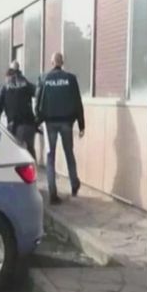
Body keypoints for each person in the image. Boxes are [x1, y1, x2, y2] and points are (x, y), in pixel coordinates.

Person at [35, 52, 85, 205]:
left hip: (50, 123)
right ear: (62, 63)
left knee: (50, 157)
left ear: (52, 63)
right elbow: (77, 102)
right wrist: (81, 125)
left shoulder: (44, 78)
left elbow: (38, 100)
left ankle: (52, 193)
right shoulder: (71, 79)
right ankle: (74, 184)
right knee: (69, 153)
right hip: (66, 123)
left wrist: (37, 120)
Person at [0, 61, 37, 160]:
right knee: (30, 151)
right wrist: (38, 117)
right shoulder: (26, 83)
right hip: (29, 123)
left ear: (8, 75)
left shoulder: (5, 87)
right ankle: (33, 168)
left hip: (14, 125)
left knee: (16, 153)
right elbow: (39, 93)